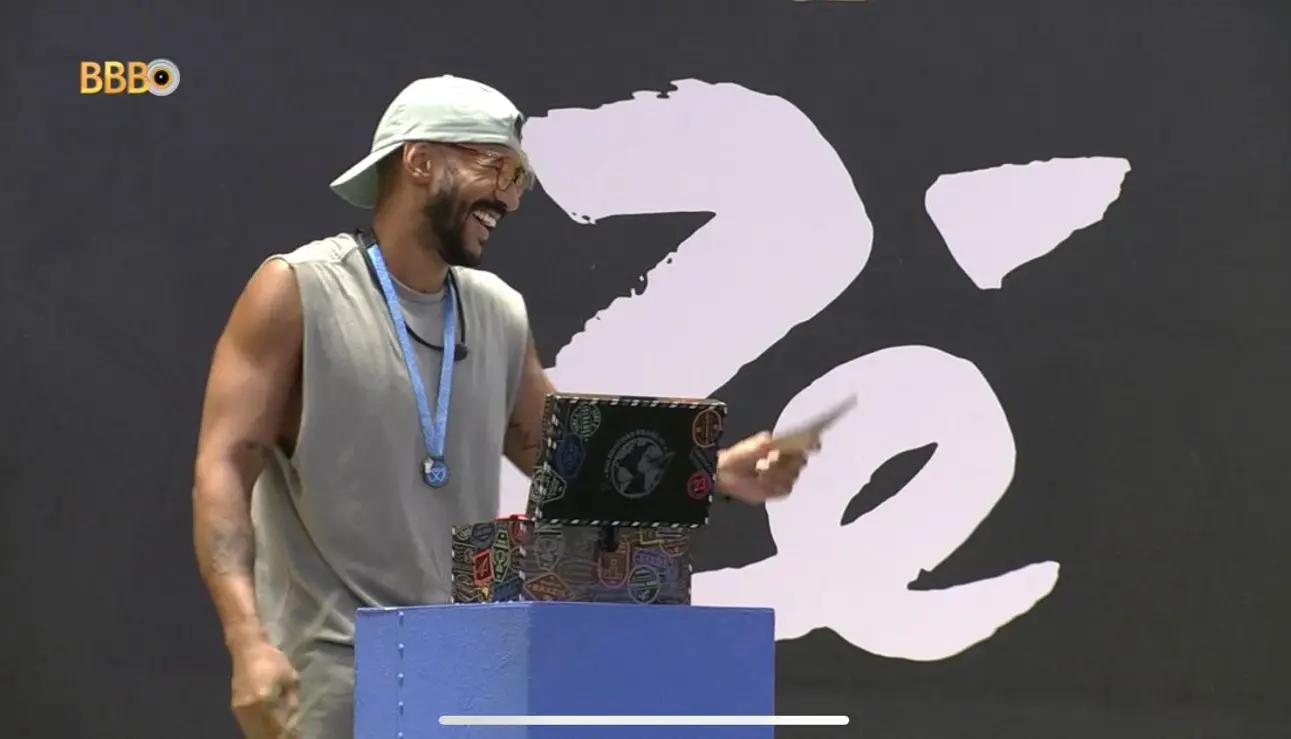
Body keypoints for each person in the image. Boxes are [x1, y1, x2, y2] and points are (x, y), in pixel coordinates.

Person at [191, 75, 818, 739]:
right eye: (500, 168)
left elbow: (562, 461)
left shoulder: (497, 310)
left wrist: (716, 474)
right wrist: (247, 642)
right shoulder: (296, 289)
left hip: (461, 671)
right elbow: (223, 465)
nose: (512, 197)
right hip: (327, 679)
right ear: (420, 160)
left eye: (522, 180)